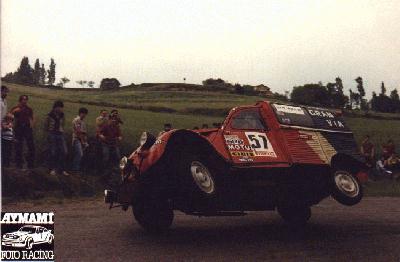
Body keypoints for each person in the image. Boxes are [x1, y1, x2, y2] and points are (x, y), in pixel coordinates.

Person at [44, 100, 69, 176]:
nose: (61, 109)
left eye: (61, 107)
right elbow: (46, 126)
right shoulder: (49, 115)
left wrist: (61, 131)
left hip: (60, 134)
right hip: (52, 133)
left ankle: (61, 169)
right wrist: (48, 134)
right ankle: (52, 169)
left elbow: (63, 124)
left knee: (64, 151)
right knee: (53, 152)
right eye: (59, 107)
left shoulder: (62, 115)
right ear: (55, 107)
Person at [10, 95, 35, 169]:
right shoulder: (15, 108)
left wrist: (32, 126)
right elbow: (10, 117)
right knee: (19, 146)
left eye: (26, 99)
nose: (25, 101)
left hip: (27, 128)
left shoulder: (29, 109)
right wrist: (14, 112)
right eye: (23, 99)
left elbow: (32, 118)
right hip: (19, 128)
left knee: (31, 146)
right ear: (20, 100)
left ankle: (30, 164)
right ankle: (19, 164)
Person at [71, 107, 89, 172]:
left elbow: (84, 132)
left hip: (81, 139)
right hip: (77, 139)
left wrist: (84, 140)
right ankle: (75, 169)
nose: (84, 115)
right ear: (80, 113)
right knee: (79, 154)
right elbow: (78, 132)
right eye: (83, 113)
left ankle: (76, 168)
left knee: (79, 154)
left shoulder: (83, 122)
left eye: (85, 114)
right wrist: (83, 141)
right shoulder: (77, 120)